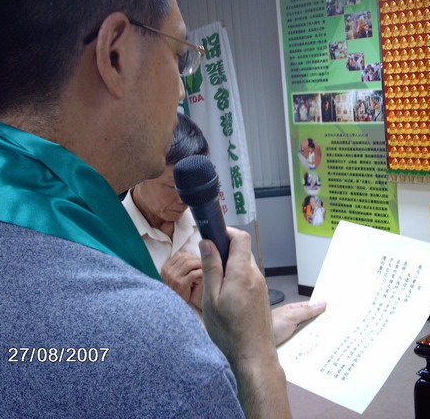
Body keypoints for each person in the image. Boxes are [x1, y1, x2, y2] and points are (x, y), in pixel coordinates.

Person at [0, 0, 290, 417]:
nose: (181, 90)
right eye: (180, 58)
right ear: (115, 55)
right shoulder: (150, 345)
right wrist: (256, 357)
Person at [124, 113, 325, 343]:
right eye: (171, 187)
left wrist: (258, 320)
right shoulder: (107, 240)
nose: (183, 200)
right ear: (137, 173)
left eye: (188, 188)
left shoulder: (205, 223)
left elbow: (241, 322)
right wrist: (165, 302)